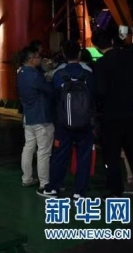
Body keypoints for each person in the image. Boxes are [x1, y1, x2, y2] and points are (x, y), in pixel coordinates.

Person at [92, 29, 133, 205]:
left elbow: (99, 92)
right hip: (128, 113)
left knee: (112, 156)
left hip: (109, 115)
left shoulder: (101, 64)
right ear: (112, 41)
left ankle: (115, 191)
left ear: (97, 46)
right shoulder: (131, 58)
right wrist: (132, 94)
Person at [37, 40, 94, 200]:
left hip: (63, 122)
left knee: (60, 155)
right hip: (85, 122)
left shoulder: (58, 74)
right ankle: (79, 191)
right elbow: (93, 97)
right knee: (84, 156)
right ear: (80, 53)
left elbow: (54, 97)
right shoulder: (88, 73)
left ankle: (54, 188)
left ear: (63, 54)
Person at [17, 45, 54, 190]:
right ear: (32, 59)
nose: (41, 59)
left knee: (28, 148)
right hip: (41, 117)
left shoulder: (20, 73)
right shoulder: (35, 75)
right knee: (43, 151)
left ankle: (26, 178)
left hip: (28, 116)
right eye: (38, 57)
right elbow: (49, 90)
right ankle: (44, 182)